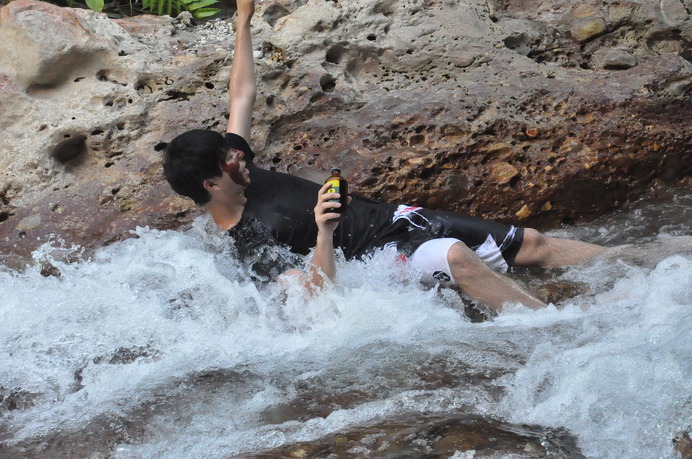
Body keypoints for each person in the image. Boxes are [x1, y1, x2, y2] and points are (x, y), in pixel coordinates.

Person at [163, 0, 606, 312]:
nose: (239, 156)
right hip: (377, 259)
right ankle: (558, 326)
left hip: (395, 218)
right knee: (456, 257)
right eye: (230, 160)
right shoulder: (250, 241)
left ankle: (654, 258)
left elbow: (241, 94)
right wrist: (323, 230)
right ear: (211, 184)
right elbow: (314, 294)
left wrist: (243, 20)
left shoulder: (234, 167)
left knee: (533, 243)